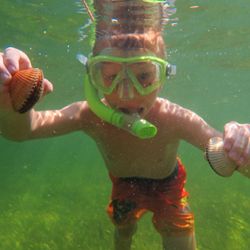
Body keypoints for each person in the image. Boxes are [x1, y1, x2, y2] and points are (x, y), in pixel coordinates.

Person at [0, 1, 250, 250]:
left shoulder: (175, 118)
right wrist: (9, 105)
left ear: (162, 78)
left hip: (169, 186)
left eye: (144, 76)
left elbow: (224, 151)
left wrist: (240, 144)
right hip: (123, 186)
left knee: (180, 236)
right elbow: (24, 131)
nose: (128, 92)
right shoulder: (88, 115)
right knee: (123, 231)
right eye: (110, 76)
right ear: (92, 78)